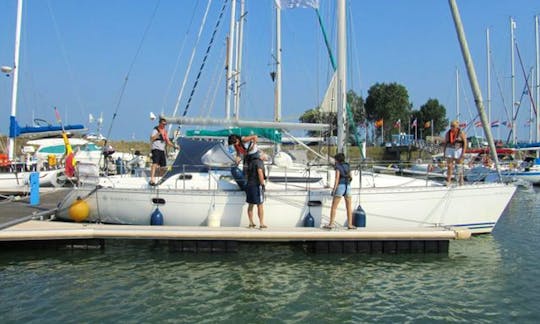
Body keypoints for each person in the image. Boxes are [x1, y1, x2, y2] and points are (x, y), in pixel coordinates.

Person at [324, 153, 355, 230]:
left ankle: (331, 224)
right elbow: (351, 177)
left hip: (340, 186)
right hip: (347, 187)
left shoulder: (338, 167)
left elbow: (337, 179)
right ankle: (350, 225)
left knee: (334, 207)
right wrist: (348, 183)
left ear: (337, 160)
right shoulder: (348, 165)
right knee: (349, 207)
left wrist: (334, 190)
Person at [149, 118, 177, 185]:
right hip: (156, 149)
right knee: (155, 163)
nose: (164, 125)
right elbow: (152, 139)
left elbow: (168, 141)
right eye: (163, 124)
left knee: (163, 165)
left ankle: (161, 178)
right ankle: (152, 178)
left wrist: (174, 146)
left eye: (165, 124)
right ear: (160, 123)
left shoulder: (165, 131)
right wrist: (158, 134)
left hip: (162, 150)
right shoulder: (155, 130)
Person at [245, 155, 267, 229]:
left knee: (250, 204)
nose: (266, 156)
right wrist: (262, 184)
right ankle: (261, 223)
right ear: (261, 156)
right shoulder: (259, 162)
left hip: (249, 184)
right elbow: (260, 172)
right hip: (256, 185)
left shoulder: (251, 162)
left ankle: (251, 223)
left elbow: (247, 174)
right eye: (264, 154)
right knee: (260, 204)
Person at [443, 120, 467, 186]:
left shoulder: (461, 133)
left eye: (453, 126)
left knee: (459, 166)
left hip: (458, 150)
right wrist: (444, 152)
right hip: (449, 149)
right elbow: (445, 143)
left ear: (457, 126)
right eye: (451, 126)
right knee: (449, 166)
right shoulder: (448, 133)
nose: (452, 127)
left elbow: (465, 143)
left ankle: (461, 181)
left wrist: (463, 153)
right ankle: (448, 181)